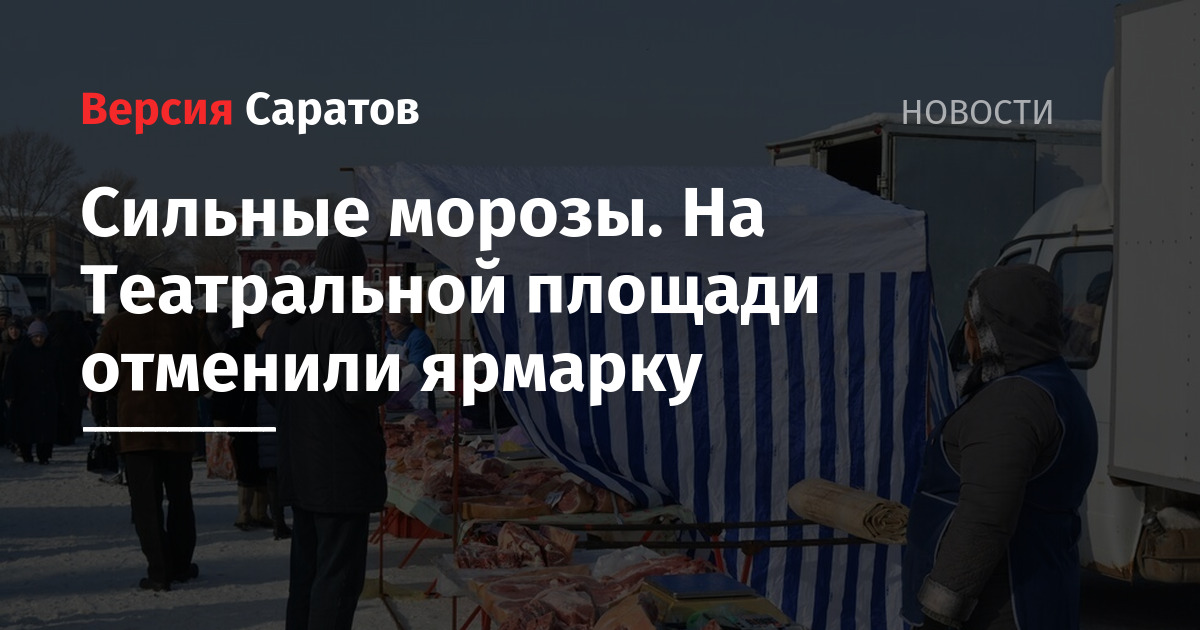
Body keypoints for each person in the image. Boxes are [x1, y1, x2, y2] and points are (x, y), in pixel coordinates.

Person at [903, 264, 1099, 630]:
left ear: (991, 332)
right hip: (1040, 593)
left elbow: (984, 518)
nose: (968, 336)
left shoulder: (1012, 403)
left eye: (973, 324)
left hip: (998, 608)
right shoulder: (1057, 384)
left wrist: (939, 614)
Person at [265, 235, 390, 630]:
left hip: (301, 461)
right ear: (353, 274)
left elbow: (269, 388)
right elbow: (362, 390)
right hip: (340, 468)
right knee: (337, 578)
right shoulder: (345, 320)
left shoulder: (284, 321)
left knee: (307, 572)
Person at [93, 270, 215, 592]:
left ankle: (159, 571)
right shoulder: (189, 323)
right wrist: (185, 391)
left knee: (145, 504)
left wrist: (124, 391)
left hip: (136, 428)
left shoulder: (119, 325)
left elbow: (99, 374)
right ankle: (181, 564)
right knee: (180, 499)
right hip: (177, 426)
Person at [248, 308, 291, 540]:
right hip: (281, 415)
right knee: (287, 472)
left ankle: (278, 522)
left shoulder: (260, 352)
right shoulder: (286, 347)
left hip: (265, 416)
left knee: (274, 476)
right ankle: (283, 522)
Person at [4, 320, 59, 464]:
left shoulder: (51, 351)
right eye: (36, 336)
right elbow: (10, 374)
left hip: (46, 395)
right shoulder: (20, 352)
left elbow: (59, 375)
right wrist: (10, 393)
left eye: (41, 336)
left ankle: (44, 455)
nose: (39, 339)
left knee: (46, 428)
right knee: (25, 427)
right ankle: (26, 453)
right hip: (25, 396)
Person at [385, 312, 435, 410]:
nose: (391, 329)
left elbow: (416, 370)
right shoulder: (391, 339)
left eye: (393, 324)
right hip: (395, 399)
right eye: (389, 325)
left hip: (418, 396)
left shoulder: (418, 338)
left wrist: (390, 385)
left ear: (403, 324)